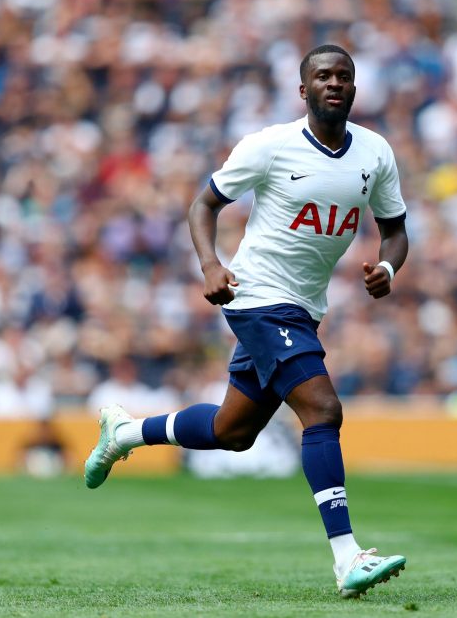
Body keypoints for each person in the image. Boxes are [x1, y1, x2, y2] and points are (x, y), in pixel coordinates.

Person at [84, 45, 409, 598]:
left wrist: (385, 266)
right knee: (322, 409)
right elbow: (203, 205)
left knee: (231, 432)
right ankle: (346, 556)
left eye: (344, 77)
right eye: (323, 76)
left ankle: (126, 432)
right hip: (257, 296)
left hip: (304, 307)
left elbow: (396, 229)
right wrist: (211, 264)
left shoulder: (375, 153)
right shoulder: (269, 146)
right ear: (302, 90)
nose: (335, 83)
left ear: (355, 89)